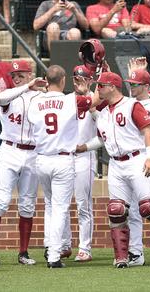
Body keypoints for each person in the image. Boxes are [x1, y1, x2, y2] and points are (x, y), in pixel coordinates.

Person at [77, 71, 150, 268]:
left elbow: (147, 130)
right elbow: (103, 139)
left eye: (101, 85)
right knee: (116, 210)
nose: (98, 89)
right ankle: (122, 256)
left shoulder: (131, 105)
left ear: (113, 87)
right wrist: (83, 147)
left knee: (149, 207)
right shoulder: (103, 113)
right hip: (116, 163)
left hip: (137, 158)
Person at [27, 65, 97, 268]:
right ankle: (54, 256)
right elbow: (96, 101)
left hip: (41, 159)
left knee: (50, 206)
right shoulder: (70, 101)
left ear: (46, 81)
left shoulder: (35, 102)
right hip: (63, 159)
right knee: (59, 208)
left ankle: (50, 246)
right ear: (63, 80)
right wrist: (91, 85)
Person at [0, 60, 46, 267]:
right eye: (14, 75)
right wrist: (26, 86)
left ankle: (23, 252)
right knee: (1, 201)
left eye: (21, 75)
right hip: (10, 150)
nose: (16, 78)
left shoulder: (40, 98)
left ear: (29, 74)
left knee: (27, 204)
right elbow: (0, 98)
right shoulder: (9, 95)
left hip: (33, 152)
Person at [61, 65, 97, 262]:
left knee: (83, 204)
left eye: (82, 78)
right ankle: (65, 244)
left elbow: (103, 128)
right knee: (62, 203)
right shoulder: (66, 100)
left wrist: (87, 147)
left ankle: (85, 247)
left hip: (84, 156)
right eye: (75, 78)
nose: (78, 82)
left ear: (90, 80)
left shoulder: (96, 100)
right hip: (65, 157)